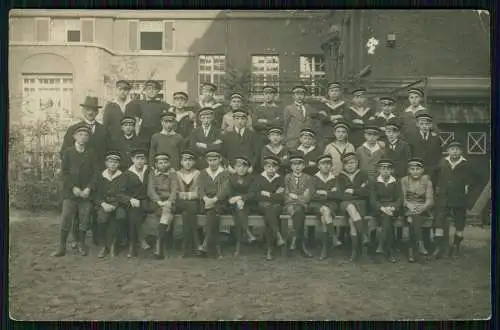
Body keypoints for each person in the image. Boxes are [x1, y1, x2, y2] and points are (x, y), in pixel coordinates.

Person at [52, 125, 98, 257]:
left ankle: (81, 244)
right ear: (74, 137)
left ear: (88, 138)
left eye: (85, 135)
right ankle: (62, 247)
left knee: (84, 218)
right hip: (71, 193)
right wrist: (73, 187)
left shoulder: (92, 153)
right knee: (66, 217)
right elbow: (64, 173)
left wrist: (89, 188)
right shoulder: (68, 152)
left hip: (86, 194)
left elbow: (96, 174)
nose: (83, 137)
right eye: (80, 134)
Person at [433, 140, 481, 259]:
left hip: (459, 198)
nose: (454, 151)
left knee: (459, 223)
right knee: (438, 222)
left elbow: (477, 178)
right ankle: (439, 247)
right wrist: (437, 187)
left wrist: (468, 187)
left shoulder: (467, 164)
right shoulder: (442, 162)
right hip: (443, 197)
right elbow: (434, 175)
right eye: (452, 149)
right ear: (448, 151)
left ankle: (455, 247)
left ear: (461, 151)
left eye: (457, 149)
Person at [250, 155, 286, 260]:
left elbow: (282, 197)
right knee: (268, 209)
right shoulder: (258, 178)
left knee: (270, 213)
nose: (271, 169)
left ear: (277, 168)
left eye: (274, 167)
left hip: (276, 206)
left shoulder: (280, 179)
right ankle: (278, 235)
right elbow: (254, 195)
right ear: (264, 167)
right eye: (269, 166)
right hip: (262, 206)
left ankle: (269, 249)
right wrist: (273, 195)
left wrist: (268, 194)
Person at [337, 152, 371, 261]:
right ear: (343, 165)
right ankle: (364, 235)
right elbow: (340, 194)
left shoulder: (363, 174)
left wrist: (353, 190)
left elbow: (366, 192)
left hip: (361, 203)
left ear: (357, 163)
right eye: (347, 164)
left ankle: (354, 251)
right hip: (345, 204)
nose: (350, 165)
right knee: (350, 207)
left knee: (352, 221)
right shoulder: (341, 176)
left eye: (353, 162)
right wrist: (358, 192)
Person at [94, 151, 128, 258]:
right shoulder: (100, 176)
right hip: (104, 204)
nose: (113, 164)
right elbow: (96, 194)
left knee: (120, 216)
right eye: (110, 162)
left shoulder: (122, 176)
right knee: (102, 218)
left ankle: (114, 244)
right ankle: (104, 245)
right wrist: (103, 204)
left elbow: (123, 193)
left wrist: (115, 205)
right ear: (106, 164)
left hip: (118, 204)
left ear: (118, 164)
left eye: (115, 162)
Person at [197, 149, 230, 258]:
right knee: (213, 214)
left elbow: (225, 190)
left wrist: (215, 199)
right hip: (206, 202)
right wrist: (206, 199)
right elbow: (200, 189)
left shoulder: (224, 173)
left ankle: (206, 243)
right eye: (210, 160)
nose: (212, 162)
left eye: (215, 160)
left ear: (220, 159)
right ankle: (215, 248)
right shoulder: (203, 173)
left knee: (213, 212)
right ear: (207, 161)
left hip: (220, 202)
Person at [309, 155, 343, 260]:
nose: (326, 166)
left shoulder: (335, 179)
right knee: (325, 210)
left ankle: (325, 248)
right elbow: (313, 195)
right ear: (319, 166)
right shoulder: (313, 178)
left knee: (325, 216)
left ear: (331, 166)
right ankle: (333, 237)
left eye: (328, 164)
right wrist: (329, 193)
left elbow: (338, 195)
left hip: (331, 205)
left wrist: (323, 192)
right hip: (316, 205)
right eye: (323, 164)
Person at [401, 158, 434, 262]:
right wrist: (409, 205)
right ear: (409, 170)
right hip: (408, 208)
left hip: (422, 208)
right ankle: (420, 244)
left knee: (412, 220)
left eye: (417, 169)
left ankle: (411, 252)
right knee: (413, 218)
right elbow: (402, 198)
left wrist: (422, 207)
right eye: (412, 169)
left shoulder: (427, 182)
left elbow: (430, 200)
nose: (415, 171)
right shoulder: (404, 180)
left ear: (422, 170)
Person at [60, 96, 107, 167]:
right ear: (83, 111)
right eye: (88, 109)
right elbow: (64, 152)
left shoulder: (104, 130)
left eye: (93, 110)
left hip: (98, 171)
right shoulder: (73, 129)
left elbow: (107, 151)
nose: (90, 112)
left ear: (97, 112)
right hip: (78, 172)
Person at [370, 159, 402, 263]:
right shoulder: (374, 181)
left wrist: (392, 207)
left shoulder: (396, 182)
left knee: (387, 218)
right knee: (387, 219)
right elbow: (373, 200)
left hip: (392, 209)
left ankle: (381, 246)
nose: (386, 171)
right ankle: (389, 251)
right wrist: (383, 208)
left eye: (388, 169)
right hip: (379, 209)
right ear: (379, 170)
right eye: (383, 169)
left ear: (391, 171)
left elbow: (399, 199)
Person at [172, 150, 202, 257]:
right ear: (181, 162)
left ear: (194, 162)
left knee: (186, 214)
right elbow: (174, 192)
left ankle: (185, 247)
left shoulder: (198, 174)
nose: (188, 163)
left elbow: (199, 192)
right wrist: (189, 195)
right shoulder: (176, 174)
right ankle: (196, 243)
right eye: (185, 160)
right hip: (180, 204)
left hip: (193, 204)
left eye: (190, 160)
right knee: (189, 207)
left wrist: (184, 195)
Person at [225, 156, 257, 257]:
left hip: (249, 204)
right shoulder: (231, 178)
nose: (242, 169)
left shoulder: (252, 178)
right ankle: (247, 234)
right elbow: (229, 194)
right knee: (238, 211)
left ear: (248, 168)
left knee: (240, 212)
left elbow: (253, 194)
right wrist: (235, 200)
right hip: (233, 205)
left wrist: (241, 198)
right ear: (234, 167)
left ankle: (238, 246)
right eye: (238, 166)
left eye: (244, 166)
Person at [147, 153, 177, 259]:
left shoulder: (173, 174)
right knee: (166, 213)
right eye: (160, 163)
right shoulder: (152, 174)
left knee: (166, 211)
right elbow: (150, 190)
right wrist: (159, 201)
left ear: (169, 163)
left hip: (169, 202)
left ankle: (158, 245)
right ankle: (161, 245)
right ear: (156, 164)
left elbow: (174, 190)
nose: (163, 165)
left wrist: (169, 201)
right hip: (156, 203)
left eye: (165, 162)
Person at [284, 153, 314, 258]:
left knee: (299, 211)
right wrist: (291, 196)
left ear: (303, 166)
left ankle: (294, 240)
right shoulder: (287, 177)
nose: (297, 167)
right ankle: (300, 243)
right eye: (294, 164)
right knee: (297, 211)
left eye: (299, 164)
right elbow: (285, 193)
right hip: (290, 205)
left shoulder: (308, 178)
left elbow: (308, 196)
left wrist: (296, 197)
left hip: (302, 205)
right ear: (291, 166)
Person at [125, 80, 170, 150]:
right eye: (149, 89)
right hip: (143, 137)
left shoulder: (163, 105)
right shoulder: (137, 103)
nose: (151, 91)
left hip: (158, 136)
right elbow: (130, 117)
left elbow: (174, 113)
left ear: (158, 91)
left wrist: (189, 112)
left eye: (154, 89)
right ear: (145, 90)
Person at [123, 148, 152, 258]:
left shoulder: (149, 170)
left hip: (147, 200)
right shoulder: (127, 174)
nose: (140, 161)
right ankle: (135, 243)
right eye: (137, 159)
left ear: (145, 160)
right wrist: (130, 199)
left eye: (142, 158)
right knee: (133, 212)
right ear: (132, 160)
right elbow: (122, 192)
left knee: (134, 213)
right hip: (134, 201)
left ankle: (136, 242)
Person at [406, 110, 442, 185]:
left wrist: (436, 168)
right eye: (421, 124)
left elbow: (438, 154)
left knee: (430, 189)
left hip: (432, 170)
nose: (424, 126)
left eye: (427, 124)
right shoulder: (411, 138)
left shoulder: (436, 138)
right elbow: (409, 155)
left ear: (431, 125)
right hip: (416, 169)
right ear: (417, 124)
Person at [222, 108, 261, 173]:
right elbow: (223, 154)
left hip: (248, 169)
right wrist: (228, 166)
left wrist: (252, 166)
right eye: (237, 118)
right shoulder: (227, 136)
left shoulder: (253, 135)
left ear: (246, 120)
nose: (240, 121)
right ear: (233, 120)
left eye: (242, 119)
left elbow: (257, 154)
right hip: (232, 169)